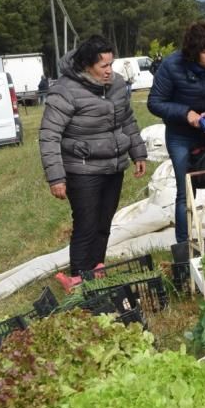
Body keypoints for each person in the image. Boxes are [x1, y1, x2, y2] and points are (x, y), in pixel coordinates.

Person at [39, 35, 147, 288]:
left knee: (104, 221)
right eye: (104, 66)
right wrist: (56, 177)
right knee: (86, 223)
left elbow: (128, 121)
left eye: (111, 64)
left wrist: (138, 152)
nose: (110, 71)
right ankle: (77, 275)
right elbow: (49, 135)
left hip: (114, 166)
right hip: (82, 168)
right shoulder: (65, 91)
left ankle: (97, 267)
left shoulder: (118, 85)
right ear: (87, 65)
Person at [147, 22, 205, 244]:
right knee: (185, 191)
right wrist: (187, 114)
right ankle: (184, 247)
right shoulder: (171, 66)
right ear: (193, 52)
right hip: (181, 135)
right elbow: (155, 102)